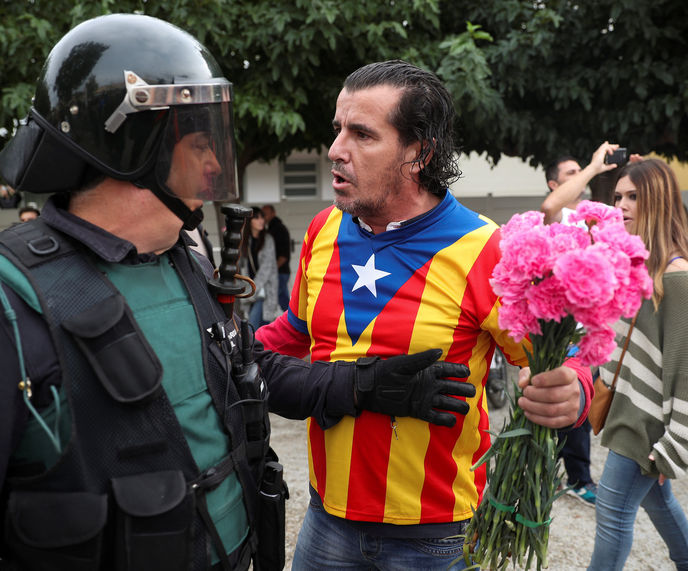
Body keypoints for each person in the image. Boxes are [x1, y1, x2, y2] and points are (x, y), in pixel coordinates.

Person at [0, 16, 476, 571]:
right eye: (199, 143)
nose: (217, 161)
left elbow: (249, 371)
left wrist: (363, 385)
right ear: (133, 150)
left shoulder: (181, 263)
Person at [256, 59, 594, 570]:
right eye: (338, 129)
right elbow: (295, 333)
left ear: (418, 152)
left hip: (436, 541)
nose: (335, 150)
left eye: (362, 134)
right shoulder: (322, 230)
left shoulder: (486, 249)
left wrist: (575, 389)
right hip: (325, 522)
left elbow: (563, 358)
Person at [588, 157, 688, 571]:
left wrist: (673, 447)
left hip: (647, 426)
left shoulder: (677, 277)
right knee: (659, 506)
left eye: (634, 196)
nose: (622, 205)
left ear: (658, 200)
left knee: (611, 515)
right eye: (618, 196)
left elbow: (684, 371)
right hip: (627, 412)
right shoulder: (639, 268)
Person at [540, 141, 621, 505]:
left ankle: (577, 477)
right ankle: (551, 476)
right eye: (570, 175)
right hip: (555, 333)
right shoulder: (558, 216)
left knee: (579, 405)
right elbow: (549, 206)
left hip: (585, 332)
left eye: (580, 173)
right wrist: (591, 166)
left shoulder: (596, 214)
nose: (582, 179)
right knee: (553, 404)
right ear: (554, 185)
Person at [238, 206, 279, 329]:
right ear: (249, 221)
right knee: (262, 328)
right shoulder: (244, 241)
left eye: (262, 217)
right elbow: (241, 266)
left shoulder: (268, 240)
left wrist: (253, 290)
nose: (261, 220)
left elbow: (266, 269)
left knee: (252, 327)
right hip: (248, 291)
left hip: (263, 291)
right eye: (257, 218)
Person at [262, 204, 292, 310]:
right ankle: (293, 322)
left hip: (279, 272)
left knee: (270, 299)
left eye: (265, 214)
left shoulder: (278, 229)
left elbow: (283, 255)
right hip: (281, 271)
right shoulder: (272, 229)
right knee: (283, 300)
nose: (263, 217)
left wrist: (272, 270)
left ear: (273, 213)